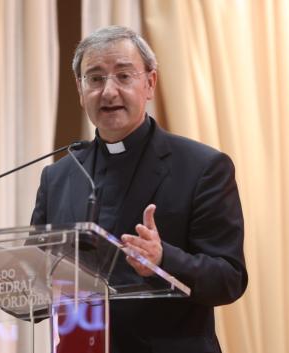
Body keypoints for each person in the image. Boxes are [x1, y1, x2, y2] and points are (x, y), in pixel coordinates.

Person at [31, 25, 247, 353]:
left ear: (150, 83)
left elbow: (229, 279)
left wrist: (163, 259)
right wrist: (1, 279)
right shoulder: (58, 177)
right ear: (80, 89)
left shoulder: (203, 167)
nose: (109, 92)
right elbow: (37, 281)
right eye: (95, 78)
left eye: (123, 76)